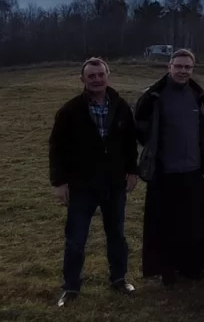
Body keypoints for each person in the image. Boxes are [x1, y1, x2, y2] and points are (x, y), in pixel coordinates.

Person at [48, 57, 139, 308]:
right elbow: (56, 148)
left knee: (117, 236)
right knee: (76, 240)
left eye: (101, 74)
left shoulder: (121, 107)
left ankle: (119, 279)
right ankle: (71, 288)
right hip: (81, 186)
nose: (97, 79)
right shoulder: (70, 110)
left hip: (114, 184)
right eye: (91, 76)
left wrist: (132, 171)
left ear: (108, 76)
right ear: (83, 80)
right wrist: (59, 182)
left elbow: (130, 142)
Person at [134, 48, 204, 286]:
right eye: (178, 66)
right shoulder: (154, 96)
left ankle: (190, 266)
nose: (183, 71)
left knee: (192, 224)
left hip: (193, 170)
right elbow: (140, 129)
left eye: (188, 67)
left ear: (193, 69)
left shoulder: (197, 95)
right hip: (164, 171)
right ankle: (167, 270)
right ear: (169, 66)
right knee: (165, 225)